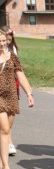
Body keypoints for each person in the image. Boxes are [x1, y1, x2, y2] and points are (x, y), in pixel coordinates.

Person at [0, 29, 35, 169]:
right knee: (4, 130)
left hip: (11, 96)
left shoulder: (12, 56)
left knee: (6, 131)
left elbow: (20, 75)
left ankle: (1, 161)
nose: (2, 44)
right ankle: (6, 166)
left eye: (3, 41)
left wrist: (29, 93)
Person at [1, 26, 19, 156]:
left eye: (8, 39)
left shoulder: (12, 51)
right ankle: (8, 141)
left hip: (12, 84)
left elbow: (19, 70)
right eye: (4, 39)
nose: (6, 42)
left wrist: (29, 92)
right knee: (4, 122)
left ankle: (7, 138)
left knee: (11, 113)